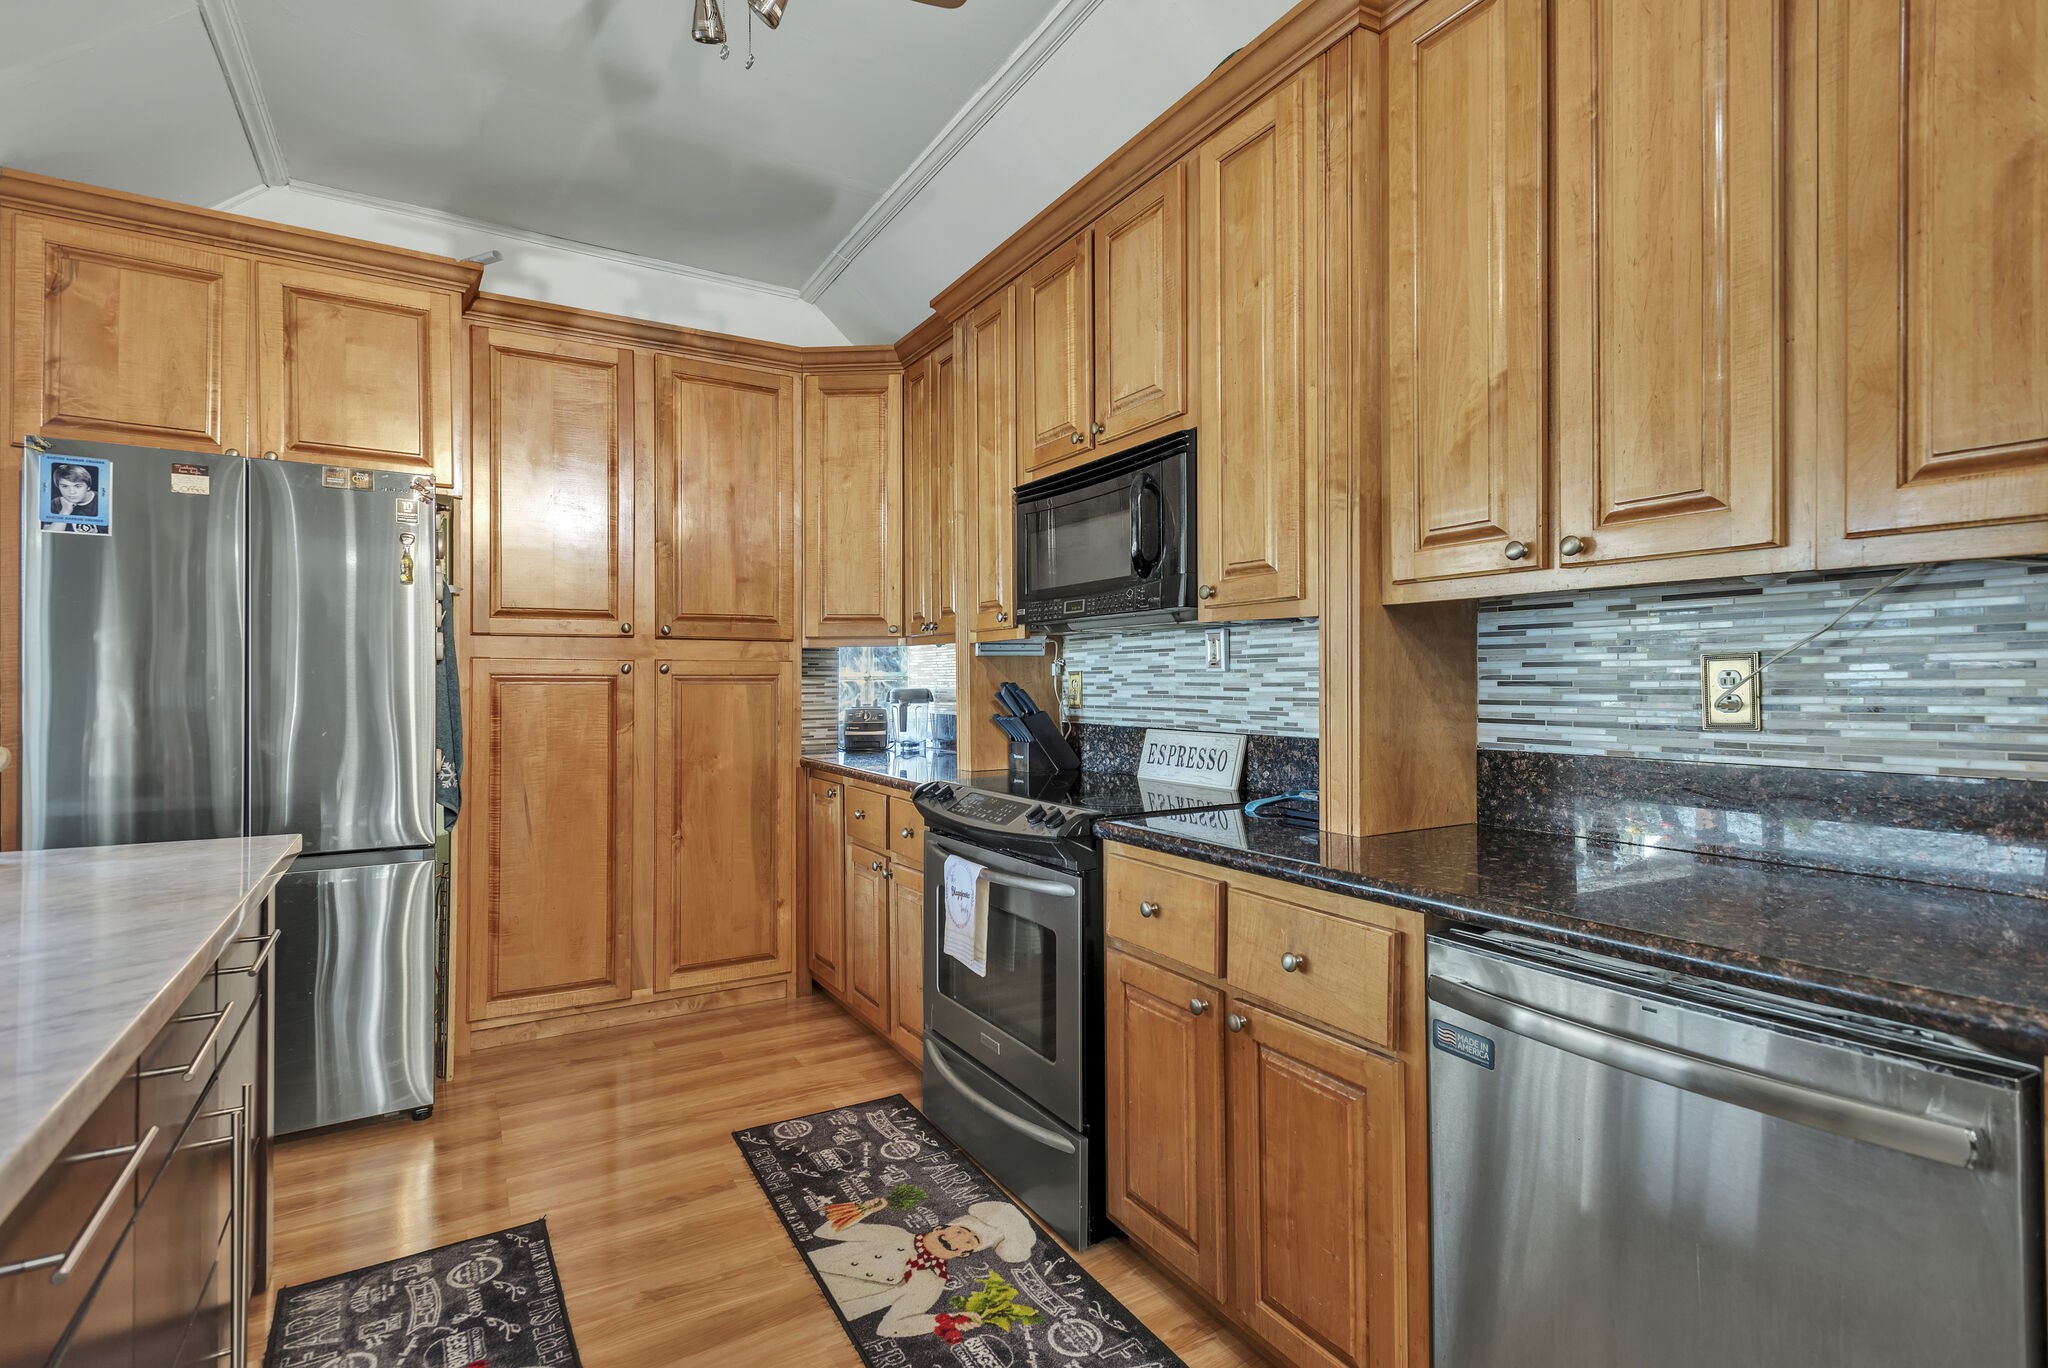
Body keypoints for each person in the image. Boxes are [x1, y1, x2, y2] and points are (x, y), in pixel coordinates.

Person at [804, 1197, 1034, 1340]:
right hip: (805, 1272)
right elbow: (824, 1232)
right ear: (940, 1227)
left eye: (968, 1242)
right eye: (959, 1231)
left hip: (825, 1314)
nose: (955, 1240)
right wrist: (862, 1210)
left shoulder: (933, 1280)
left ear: (964, 1254)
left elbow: (891, 1326)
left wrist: (949, 1320)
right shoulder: (894, 1234)